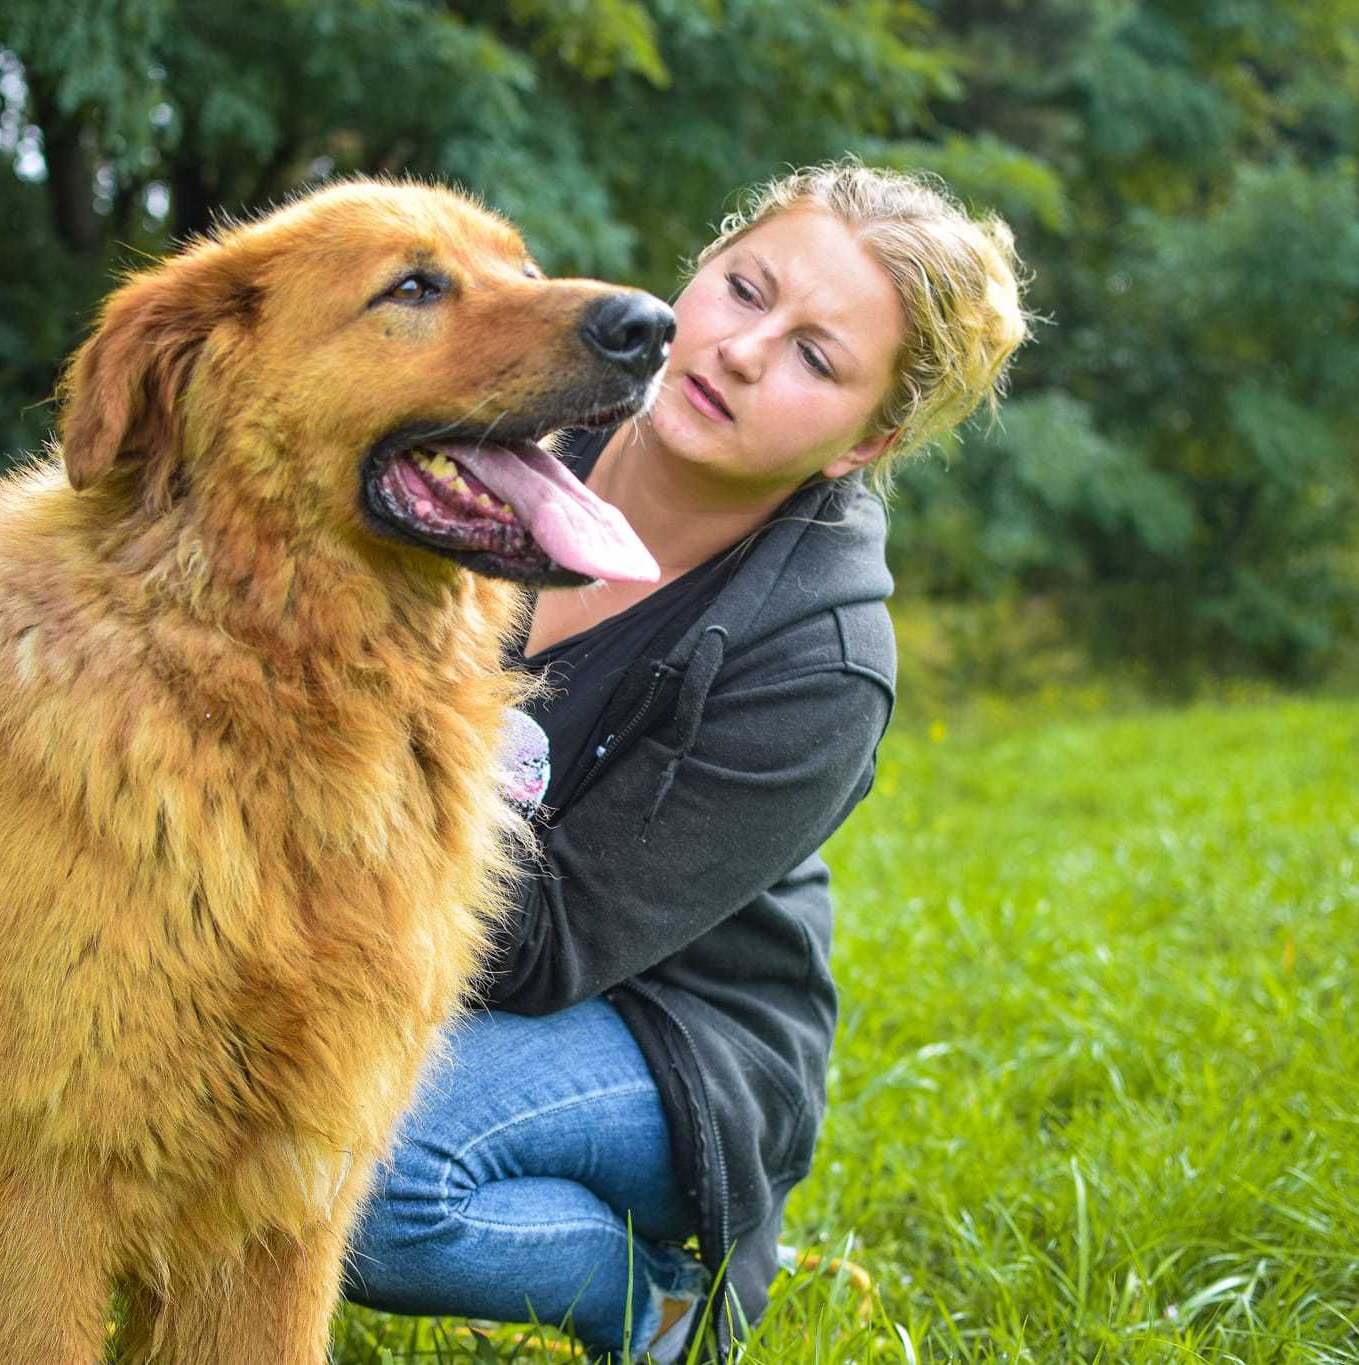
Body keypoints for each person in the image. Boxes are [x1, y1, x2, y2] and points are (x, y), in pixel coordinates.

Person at [340, 157, 1033, 1361]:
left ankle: (662, 1311)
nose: (743, 351)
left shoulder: (823, 662)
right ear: (697, 275)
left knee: (360, 1181)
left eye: (817, 359)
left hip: (668, 1026)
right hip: (411, 929)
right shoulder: (525, 409)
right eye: (743, 290)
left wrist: (279, 887)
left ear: (861, 445)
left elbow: (546, 947)